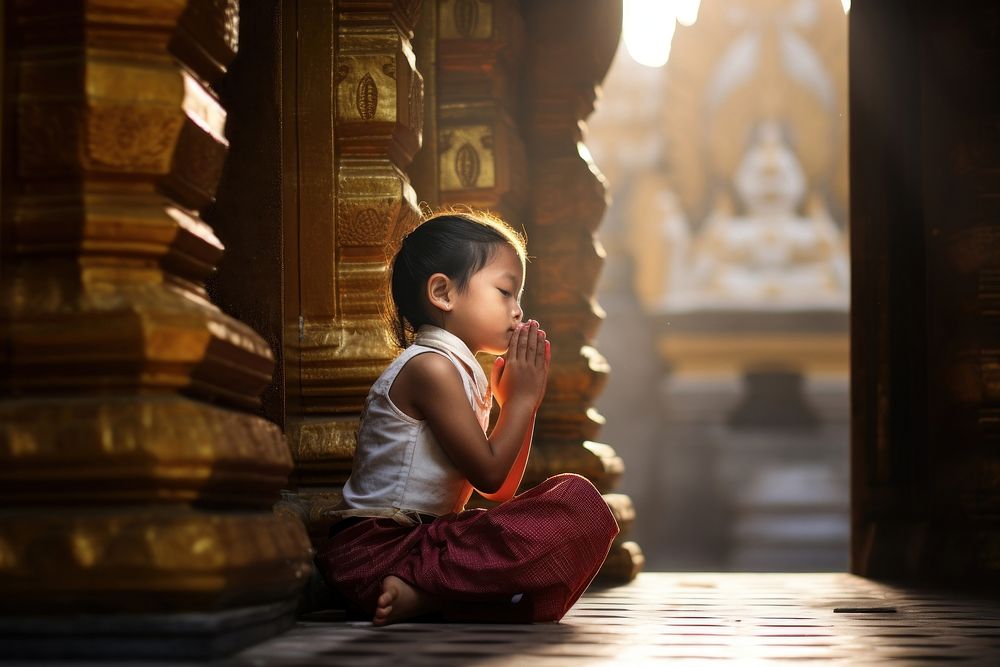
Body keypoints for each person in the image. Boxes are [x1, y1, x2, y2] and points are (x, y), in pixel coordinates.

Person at [314, 209, 619, 626]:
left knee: (578, 509)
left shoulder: (461, 373)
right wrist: (520, 403)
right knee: (574, 506)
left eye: (518, 297)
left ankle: (425, 597)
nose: (517, 311)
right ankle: (433, 592)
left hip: (429, 548)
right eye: (505, 292)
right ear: (443, 293)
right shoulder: (430, 369)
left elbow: (499, 492)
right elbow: (491, 476)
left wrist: (517, 403)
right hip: (377, 554)